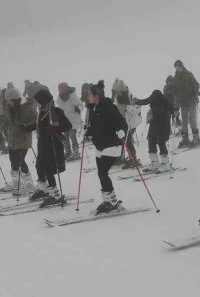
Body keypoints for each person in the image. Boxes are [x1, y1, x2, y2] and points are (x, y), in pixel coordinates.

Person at [24, 89, 72, 207]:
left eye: (38, 101)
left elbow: (68, 125)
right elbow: (39, 126)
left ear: (43, 101)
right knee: (39, 166)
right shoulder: (41, 112)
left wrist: (55, 129)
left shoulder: (56, 112)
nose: (37, 104)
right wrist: (26, 128)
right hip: (43, 144)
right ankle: (44, 190)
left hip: (53, 145)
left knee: (49, 170)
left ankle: (54, 195)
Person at [85, 83, 129, 214]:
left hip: (112, 144)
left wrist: (121, 130)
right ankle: (108, 201)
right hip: (100, 145)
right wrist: (88, 132)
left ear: (96, 95)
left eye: (89, 95)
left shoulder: (108, 106)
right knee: (101, 173)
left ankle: (112, 203)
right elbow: (96, 127)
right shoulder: (94, 108)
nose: (87, 97)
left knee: (103, 173)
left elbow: (121, 122)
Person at [0, 87, 36, 194]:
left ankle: (29, 184)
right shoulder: (8, 106)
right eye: (7, 101)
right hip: (12, 136)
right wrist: (0, 128)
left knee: (20, 160)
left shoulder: (27, 107)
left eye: (10, 100)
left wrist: (26, 126)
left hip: (23, 137)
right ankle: (17, 182)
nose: (8, 102)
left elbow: (34, 121)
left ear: (16, 99)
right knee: (12, 159)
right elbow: (7, 119)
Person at [134, 89, 175, 172]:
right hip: (154, 124)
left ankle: (165, 164)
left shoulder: (164, 101)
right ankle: (155, 163)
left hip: (163, 125)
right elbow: (146, 101)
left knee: (161, 142)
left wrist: (175, 111)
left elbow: (172, 108)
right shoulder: (155, 99)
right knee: (151, 141)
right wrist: (137, 101)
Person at [173, 60, 200, 147]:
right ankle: (185, 139)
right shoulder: (176, 77)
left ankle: (196, 138)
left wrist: (195, 95)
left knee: (192, 120)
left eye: (179, 67)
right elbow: (175, 91)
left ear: (182, 66)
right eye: (176, 67)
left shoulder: (189, 75)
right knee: (184, 121)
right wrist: (176, 103)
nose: (178, 69)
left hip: (191, 101)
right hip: (183, 103)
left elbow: (196, 85)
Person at [114, 86, 142, 167]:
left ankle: (133, 158)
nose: (119, 93)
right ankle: (120, 157)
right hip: (123, 123)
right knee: (121, 140)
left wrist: (129, 109)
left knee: (128, 140)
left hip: (131, 123)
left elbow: (138, 110)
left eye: (121, 92)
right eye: (118, 92)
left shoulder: (132, 98)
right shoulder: (117, 99)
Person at [55, 82, 84, 159]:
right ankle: (68, 152)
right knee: (65, 136)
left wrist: (78, 109)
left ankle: (76, 152)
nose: (61, 90)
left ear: (66, 88)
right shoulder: (59, 99)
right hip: (65, 121)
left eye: (62, 89)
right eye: (60, 89)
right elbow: (58, 108)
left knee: (72, 135)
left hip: (74, 120)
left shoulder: (73, 96)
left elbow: (81, 105)